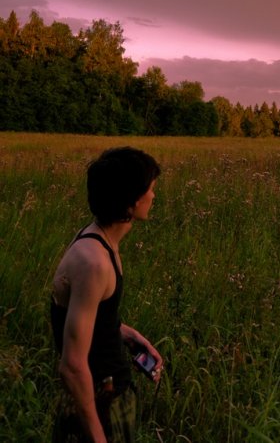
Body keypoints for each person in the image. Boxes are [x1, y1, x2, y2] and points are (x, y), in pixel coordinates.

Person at [51, 147, 164, 443]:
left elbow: (88, 317)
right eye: (150, 189)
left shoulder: (98, 239)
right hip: (99, 403)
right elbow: (73, 366)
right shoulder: (94, 263)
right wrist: (98, 437)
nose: (154, 196)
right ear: (130, 201)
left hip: (110, 395)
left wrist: (126, 334)